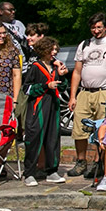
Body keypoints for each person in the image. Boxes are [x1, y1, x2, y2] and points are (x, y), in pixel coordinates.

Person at [68, 13, 106, 177]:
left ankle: (99, 163)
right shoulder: (84, 44)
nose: (96, 30)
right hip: (86, 92)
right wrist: (73, 96)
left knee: (103, 129)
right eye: (93, 27)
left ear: (105, 27)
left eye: (99, 27)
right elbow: (77, 71)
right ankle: (81, 162)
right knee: (79, 129)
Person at [22, 37, 66, 186]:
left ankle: (52, 171)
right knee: (34, 138)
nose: (54, 52)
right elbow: (27, 88)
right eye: (51, 49)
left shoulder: (55, 67)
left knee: (53, 138)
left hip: (53, 106)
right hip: (38, 107)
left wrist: (62, 75)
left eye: (55, 50)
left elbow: (62, 87)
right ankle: (29, 173)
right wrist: (47, 86)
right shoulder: (35, 66)